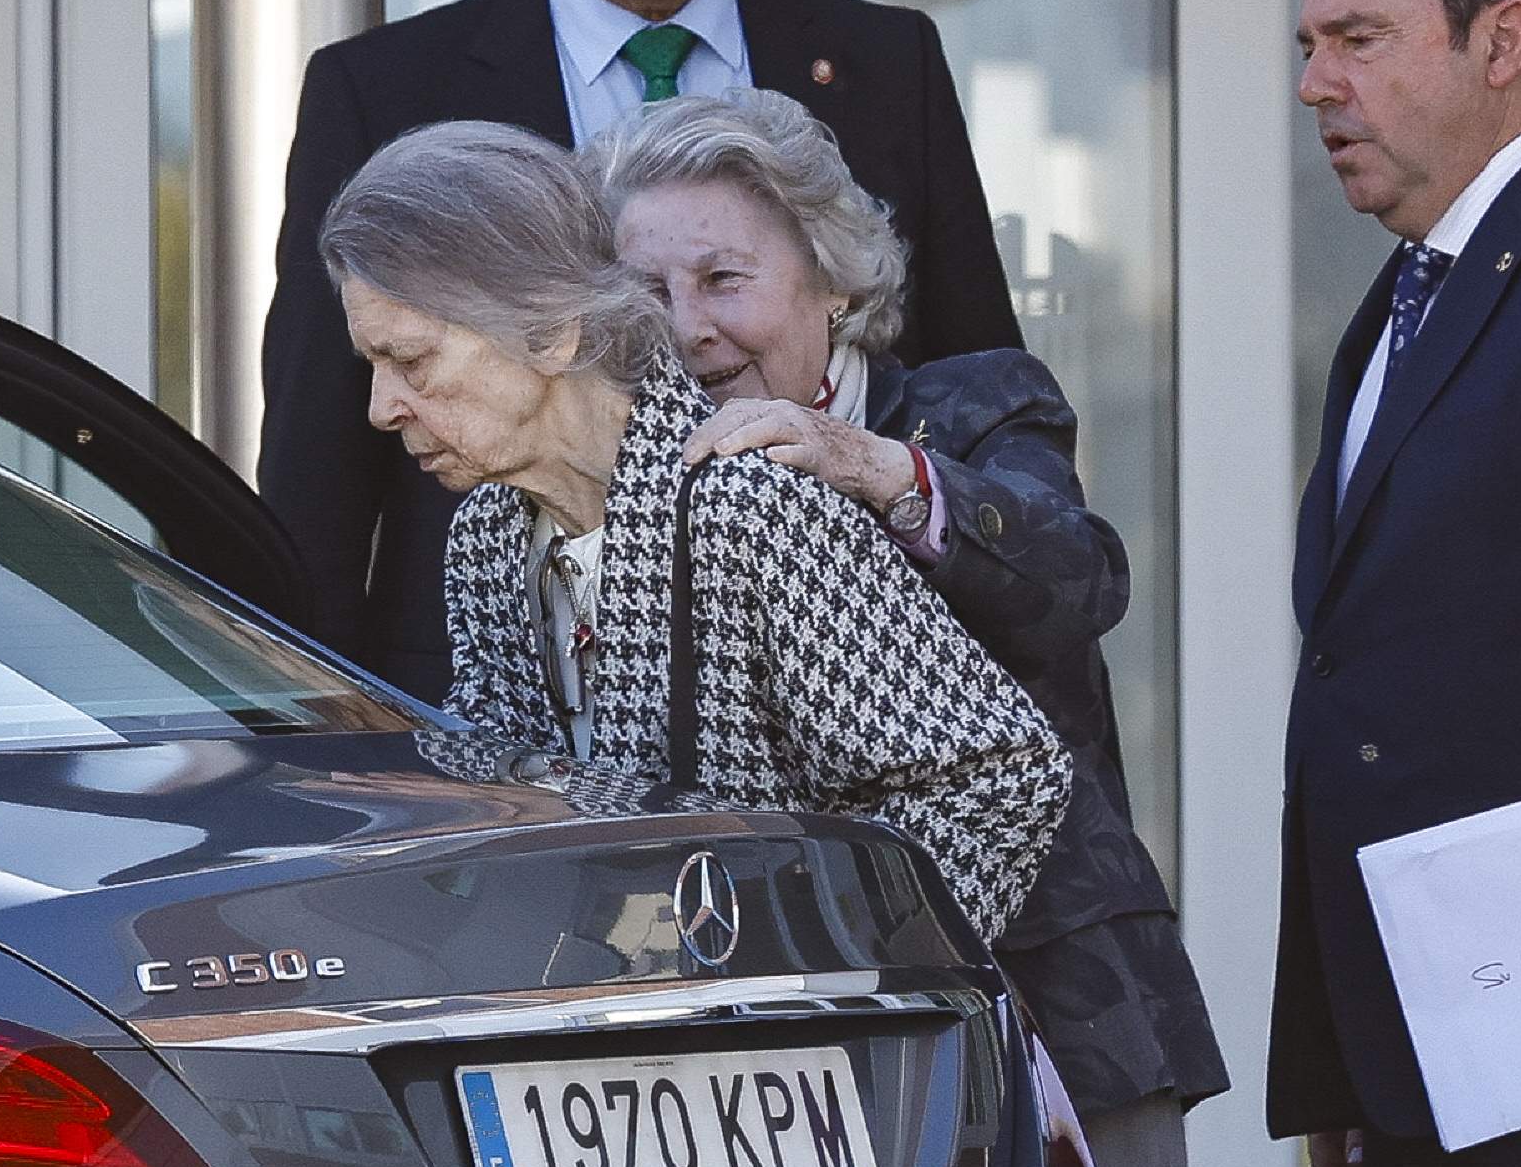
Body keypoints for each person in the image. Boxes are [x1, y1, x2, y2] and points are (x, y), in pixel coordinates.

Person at [582, 89, 1228, 1167]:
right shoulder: (644, 488)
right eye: (650, 292)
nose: (688, 327)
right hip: (802, 1071)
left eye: (725, 279)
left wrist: (872, 468)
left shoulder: (976, 404)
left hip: (1062, 1016)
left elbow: (1080, 577)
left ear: (834, 280)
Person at [317, 118, 1071, 949]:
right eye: (373, 367)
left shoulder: (750, 509)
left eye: (413, 361)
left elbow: (998, 772)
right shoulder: (489, 531)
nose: (381, 409)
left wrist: (829, 965)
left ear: (553, 331)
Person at [260, 0, 1023, 702]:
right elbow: (316, 456)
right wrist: (320, 721)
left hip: (875, 693)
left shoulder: (885, 56)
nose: (689, 324)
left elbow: (974, 377)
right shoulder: (382, 85)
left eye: (722, 277)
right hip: (497, 688)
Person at [1280, 0, 1521, 1167]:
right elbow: (1359, 692)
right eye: (1309, 48)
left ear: (1504, 38)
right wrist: (1335, 1061)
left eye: (1357, 41)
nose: (1315, 85)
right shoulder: (1398, 304)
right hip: (1425, 1080)